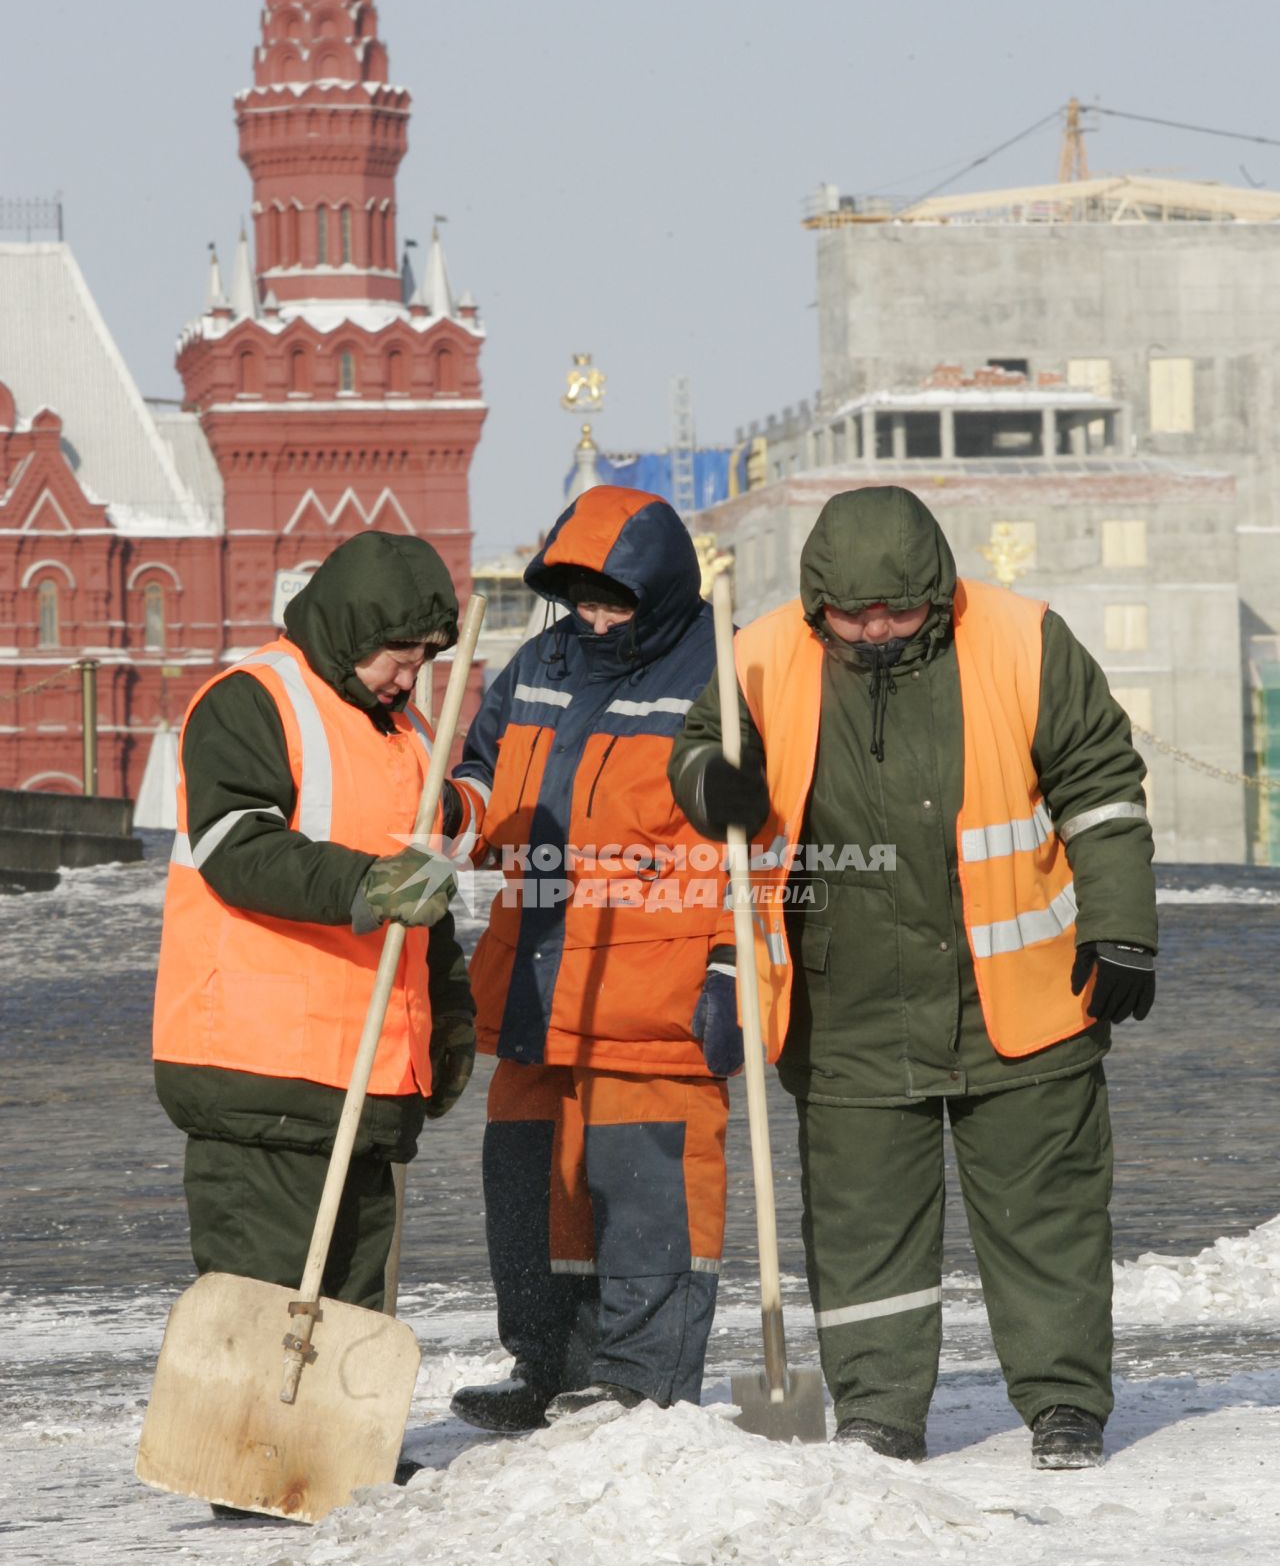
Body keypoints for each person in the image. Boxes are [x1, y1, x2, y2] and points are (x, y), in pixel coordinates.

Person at [670, 485, 1157, 1470]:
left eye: (895, 611)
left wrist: (1120, 927)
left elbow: (1098, 784)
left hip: (1016, 998)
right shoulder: (761, 654)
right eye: (852, 615)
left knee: (1045, 1218)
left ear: (935, 593)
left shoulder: (1022, 640)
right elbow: (694, 752)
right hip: (842, 1000)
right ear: (818, 605)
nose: (875, 630)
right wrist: (708, 784)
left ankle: (1063, 1405)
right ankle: (876, 1410)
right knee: (861, 1230)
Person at [444, 484, 743, 1431]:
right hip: (535, 974)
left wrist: (738, 964)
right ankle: (547, 1364)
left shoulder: (722, 676)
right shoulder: (539, 661)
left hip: (653, 988)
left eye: (613, 596)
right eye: (579, 595)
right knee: (531, 1187)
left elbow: (762, 846)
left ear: (657, 592)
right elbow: (486, 775)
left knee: (648, 1187)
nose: (595, 614)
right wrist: (456, 811)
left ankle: (639, 1379)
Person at [152, 530, 476, 1316]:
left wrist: (448, 1011)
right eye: (397, 656)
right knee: (259, 1314)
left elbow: (426, 890)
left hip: (366, 1080)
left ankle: (341, 1447)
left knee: (353, 1311)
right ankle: (254, 1445)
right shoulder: (253, 700)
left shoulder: (410, 738)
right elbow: (240, 847)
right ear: (351, 630)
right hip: (260, 1074)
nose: (409, 676)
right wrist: (368, 882)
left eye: (425, 657)